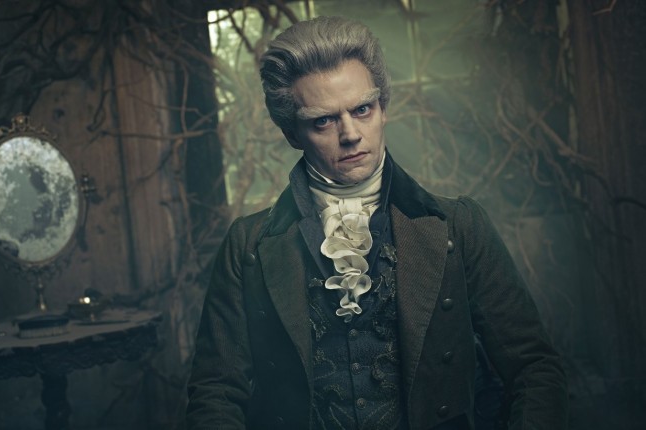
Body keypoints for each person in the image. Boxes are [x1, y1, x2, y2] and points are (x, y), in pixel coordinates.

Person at [186, 15, 568, 430]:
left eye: (362, 109)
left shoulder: (458, 226)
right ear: (292, 133)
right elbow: (215, 392)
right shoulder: (248, 245)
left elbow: (534, 369)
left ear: (383, 108)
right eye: (323, 120)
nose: (350, 133)